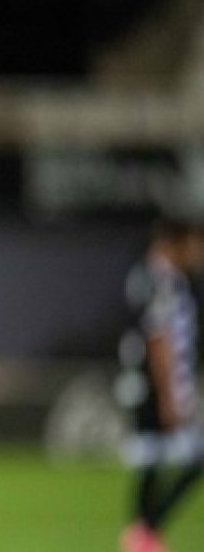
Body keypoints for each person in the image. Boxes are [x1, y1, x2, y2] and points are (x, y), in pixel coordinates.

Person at [118, 216, 204, 552]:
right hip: (156, 386)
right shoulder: (162, 281)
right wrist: (170, 395)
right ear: (177, 242)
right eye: (195, 243)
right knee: (182, 458)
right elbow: (158, 340)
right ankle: (147, 531)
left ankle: (142, 534)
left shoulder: (148, 275)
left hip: (144, 384)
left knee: (150, 459)